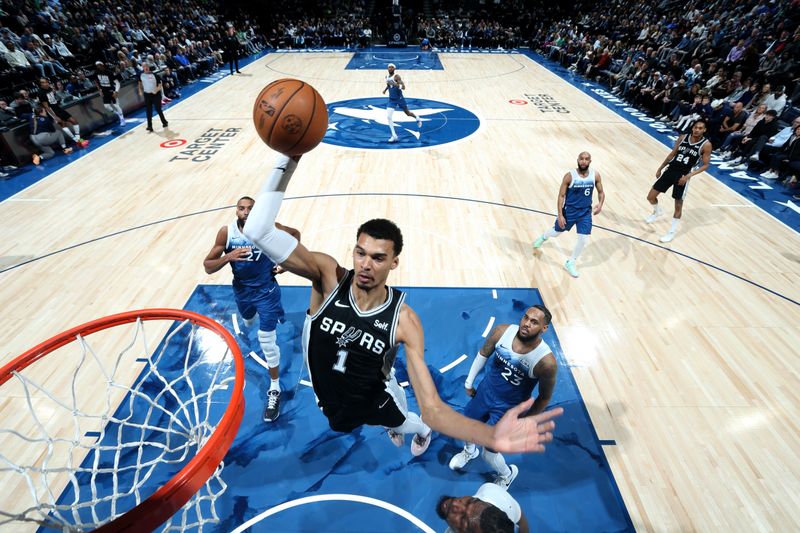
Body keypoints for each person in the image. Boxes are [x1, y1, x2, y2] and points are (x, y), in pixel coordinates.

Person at [241, 155, 563, 455]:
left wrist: (488, 436)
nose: (366, 264)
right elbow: (256, 229)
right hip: (329, 396)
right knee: (340, 422)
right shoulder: (327, 277)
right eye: (360, 252)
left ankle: (418, 430)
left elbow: (433, 407)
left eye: (378, 258)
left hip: (374, 398)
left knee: (402, 421)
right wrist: (289, 157)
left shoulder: (405, 320)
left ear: (394, 263)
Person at [203, 196, 300, 422]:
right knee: (247, 320)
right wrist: (229, 256)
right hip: (242, 291)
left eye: (251, 209)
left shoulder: (270, 228)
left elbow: (295, 235)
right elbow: (208, 267)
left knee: (266, 340)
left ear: (257, 212)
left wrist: (285, 263)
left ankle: (274, 387)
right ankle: (254, 316)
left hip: (266, 291)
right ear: (236, 211)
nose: (246, 212)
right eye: (242, 208)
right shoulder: (226, 233)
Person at [448, 306, 557, 489]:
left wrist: (527, 422)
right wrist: (469, 382)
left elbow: (544, 398)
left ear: (544, 329)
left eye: (534, 322)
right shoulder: (502, 331)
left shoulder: (546, 363)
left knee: (489, 453)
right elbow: (483, 353)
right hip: (485, 392)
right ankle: (469, 451)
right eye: (525, 318)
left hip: (508, 408)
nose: (526, 324)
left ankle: (506, 474)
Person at [532, 152, 605, 278]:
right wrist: (560, 215)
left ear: (590, 161)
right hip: (569, 211)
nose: (583, 161)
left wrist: (600, 204)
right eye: (581, 159)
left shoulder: (595, 175)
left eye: (586, 159)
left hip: (585, 212)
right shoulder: (570, 176)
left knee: (583, 239)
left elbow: (601, 192)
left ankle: (571, 262)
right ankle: (544, 237)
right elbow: (561, 196)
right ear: (577, 160)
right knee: (556, 233)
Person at [645, 119, 711, 243]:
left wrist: (688, 176)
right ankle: (657, 211)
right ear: (692, 128)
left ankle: (671, 232)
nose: (697, 130)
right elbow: (672, 154)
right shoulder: (683, 137)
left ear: (704, 130)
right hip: (670, 170)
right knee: (650, 196)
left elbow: (706, 165)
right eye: (696, 127)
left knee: (678, 205)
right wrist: (661, 167)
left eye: (700, 128)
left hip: (683, 175)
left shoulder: (706, 145)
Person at [437, 483, 529, 533]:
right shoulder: (492, 492)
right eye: (470, 501)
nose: (455, 504)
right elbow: (521, 520)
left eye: (463, 519)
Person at [36, 77, 87, 148]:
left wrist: (53, 91)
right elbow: (46, 107)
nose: (46, 83)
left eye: (47, 82)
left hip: (58, 107)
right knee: (63, 124)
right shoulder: (40, 93)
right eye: (44, 82)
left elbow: (53, 97)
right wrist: (55, 117)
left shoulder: (49, 89)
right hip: (53, 110)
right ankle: (76, 140)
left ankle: (78, 139)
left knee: (74, 121)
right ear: (40, 84)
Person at [382, 63, 422, 143]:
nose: (390, 68)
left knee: (407, 113)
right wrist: (385, 90)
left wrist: (394, 84)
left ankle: (417, 117)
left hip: (400, 99)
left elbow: (403, 87)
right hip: (392, 100)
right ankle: (394, 135)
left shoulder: (397, 77)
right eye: (389, 67)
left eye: (391, 67)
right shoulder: (386, 77)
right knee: (389, 117)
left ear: (394, 69)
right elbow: (388, 84)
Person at [138, 63, 168, 132]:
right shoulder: (141, 75)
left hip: (155, 95)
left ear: (148, 67)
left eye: (146, 66)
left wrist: (156, 90)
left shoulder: (155, 75)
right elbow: (139, 83)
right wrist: (139, 90)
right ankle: (149, 126)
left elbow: (160, 85)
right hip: (147, 95)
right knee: (148, 111)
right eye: (144, 67)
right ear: (142, 68)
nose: (146, 68)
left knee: (158, 109)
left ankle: (164, 122)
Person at [93, 61, 126, 126]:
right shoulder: (96, 73)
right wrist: (99, 90)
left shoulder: (109, 73)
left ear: (102, 65)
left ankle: (122, 119)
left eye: (99, 65)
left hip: (111, 90)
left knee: (116, 105)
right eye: (97, 66)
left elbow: (117, 83)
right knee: (106, 106)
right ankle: (117, 114)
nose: (98, 66)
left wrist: (116, 92)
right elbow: (96, 81)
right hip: (104, 91)